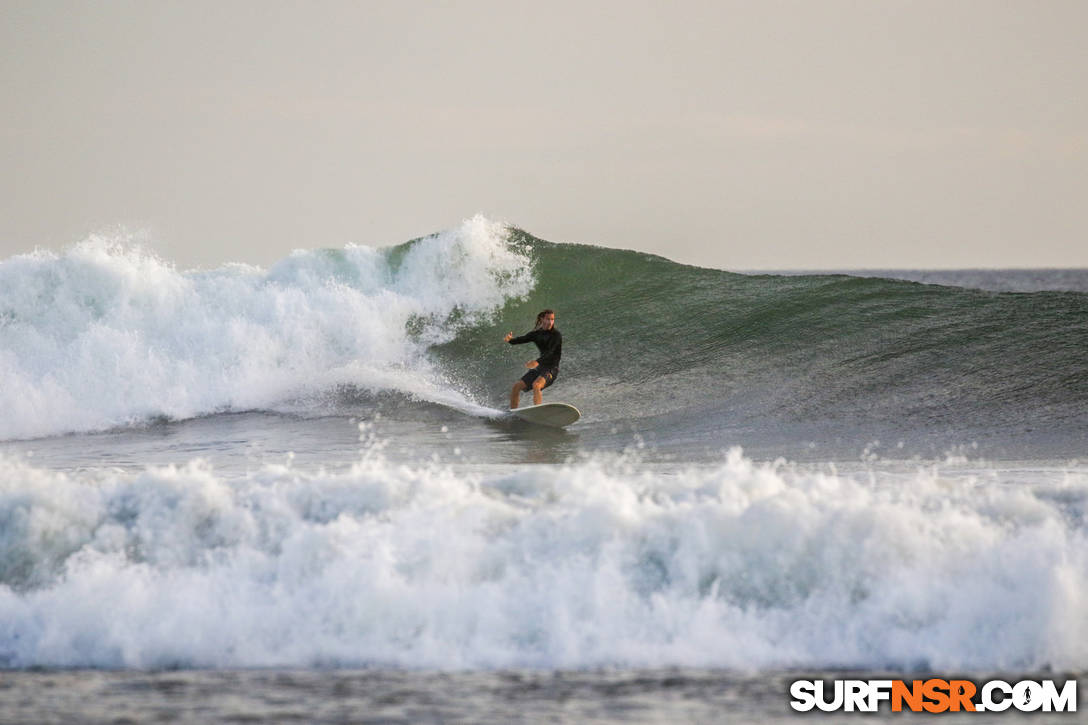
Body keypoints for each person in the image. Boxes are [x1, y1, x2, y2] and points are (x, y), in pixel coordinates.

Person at [504, 309, 561, 408]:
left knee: (536, 385)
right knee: (516, 387)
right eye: (548, 319)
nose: (550, 322)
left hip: (551, 369)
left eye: (552, 319)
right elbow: (522, 339)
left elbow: (550, 352)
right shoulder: (536, 334)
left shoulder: (556, 335)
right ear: (542, 319)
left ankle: (538, 411)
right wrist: (510, 340)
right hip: (540, 368)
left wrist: (536, 362)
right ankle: (513, 412)